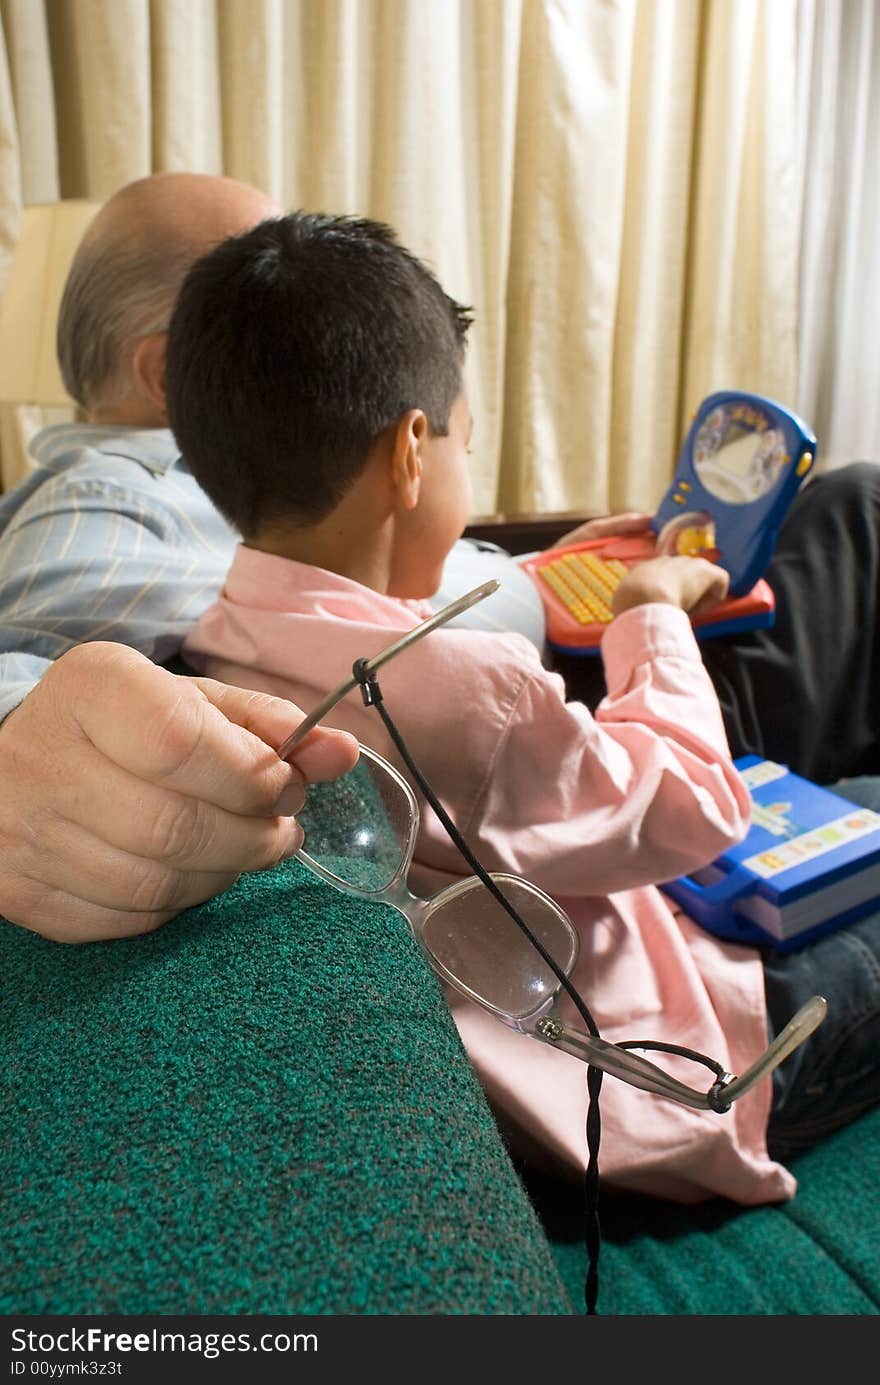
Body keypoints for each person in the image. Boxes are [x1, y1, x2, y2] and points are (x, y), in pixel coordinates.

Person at [164, 209, 880, 1204]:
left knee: (853, 796)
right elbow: (693, 804)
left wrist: (562, 566)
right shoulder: (469, 684)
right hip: (680, 1063)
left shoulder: (221, 640)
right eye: (464, 443)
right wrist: (646, 613)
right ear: (412, 450)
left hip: (594, 979)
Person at [0, 173, 359, 942]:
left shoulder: (222, 486)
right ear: (168, 376)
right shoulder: (108, 498)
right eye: (275, 314)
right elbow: (19, 671)